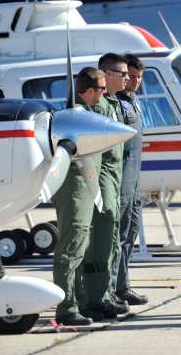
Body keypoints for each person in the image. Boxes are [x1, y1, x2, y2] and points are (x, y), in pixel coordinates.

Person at [52, 67, 107, 326]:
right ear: (90, 90)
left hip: (85, 187)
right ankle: (66, 308)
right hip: (74, 188)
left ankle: (79, 302)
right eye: (102, 89)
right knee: (71, 246)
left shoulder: (86, 114)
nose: (104, 94)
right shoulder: (74, 117)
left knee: (81, 247)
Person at [80, 53, 131, 319]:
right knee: (101, 238)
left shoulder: (112, 102)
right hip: (101, 178)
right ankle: (96, 297)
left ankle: (105, 293)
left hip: (114, 177)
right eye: (123, 74)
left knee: (110, 238)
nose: (127, 78)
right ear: (106, 74)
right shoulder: (95, 106)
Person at [111, 53, 148, 305]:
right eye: (130, 76)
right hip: (121, 179)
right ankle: (112, 288)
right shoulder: (115, 103)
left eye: (138, 78)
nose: (134, 82)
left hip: (134, 180)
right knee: (119, 235)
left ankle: (123, 285)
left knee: (131, 233)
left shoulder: (134, 101)